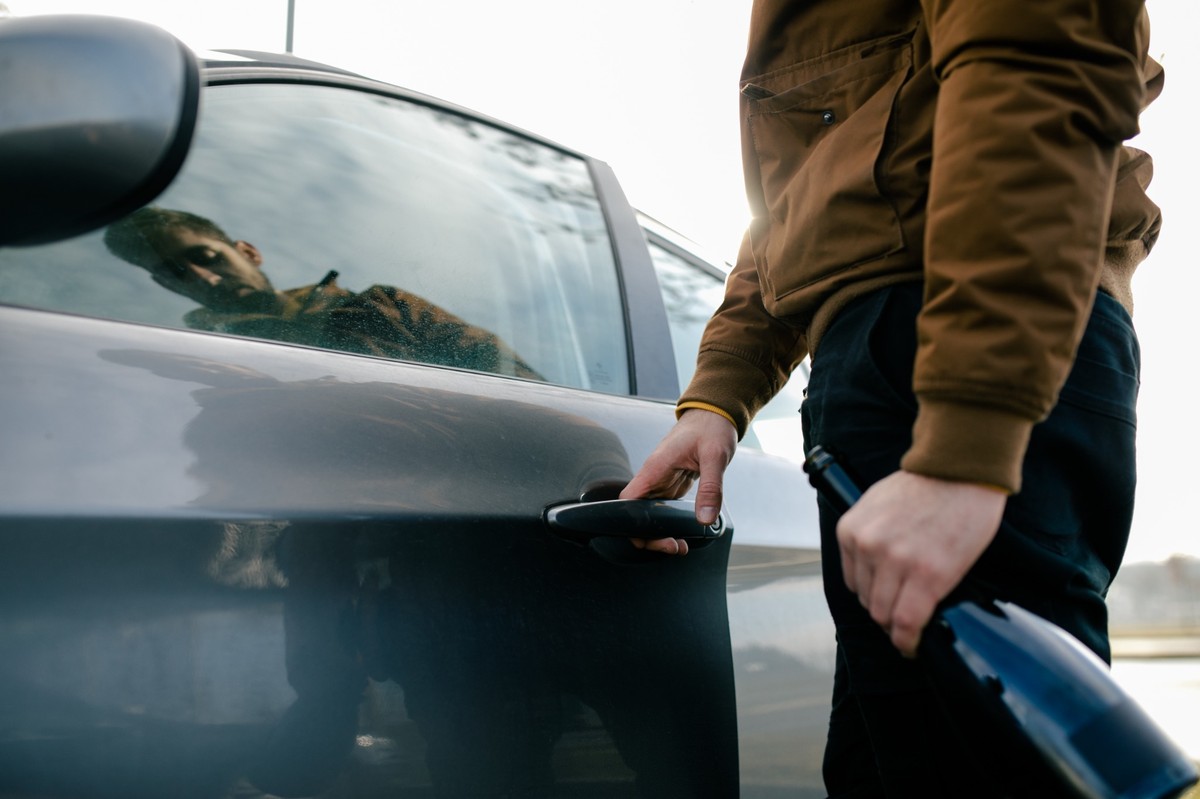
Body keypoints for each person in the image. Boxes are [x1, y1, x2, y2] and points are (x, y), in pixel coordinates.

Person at [621, 1, 1163, 796]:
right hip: (904, 358)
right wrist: (720, 394)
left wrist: (964, 445)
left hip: (951, 339)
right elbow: (801, 199)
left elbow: (1036, 62)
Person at [103, 207, 542, 380]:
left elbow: (516, 385)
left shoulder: (383, 304)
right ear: (164, 287)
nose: (207, 279)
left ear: (248, 252)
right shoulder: (191, 357)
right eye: (177, 274)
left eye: (208, 257)